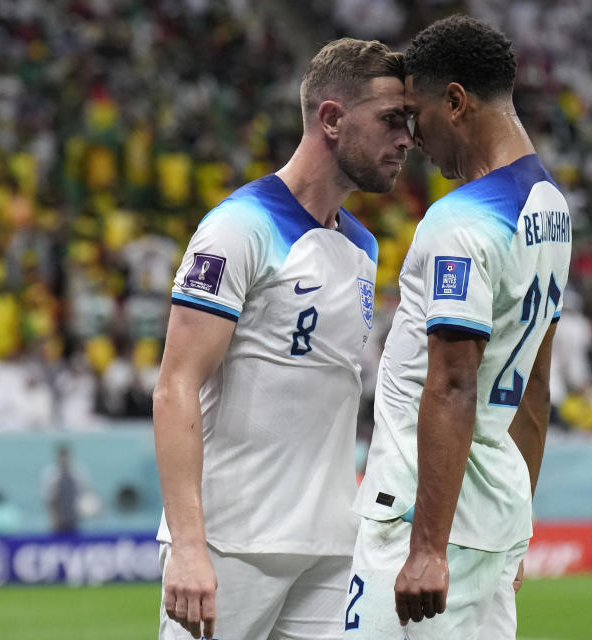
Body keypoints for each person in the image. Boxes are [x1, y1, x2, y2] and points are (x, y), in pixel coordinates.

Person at [153, 38, 412, 640]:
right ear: (331, 119)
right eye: (390, 120)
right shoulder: (239, 228)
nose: (405, 139)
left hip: (328, 546)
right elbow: (175, 387)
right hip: (232, 543)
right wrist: (190, 546)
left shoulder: (364, 248)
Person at [347, 16, 572, 638]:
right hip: (496, 517)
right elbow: (534, 389)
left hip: (424, 519)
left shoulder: (460, 223)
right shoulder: (551, 208)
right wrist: (516, 520)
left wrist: (426, 549)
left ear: (455, 101)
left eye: (416, 114)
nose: (413, 136)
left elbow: (451, 384)